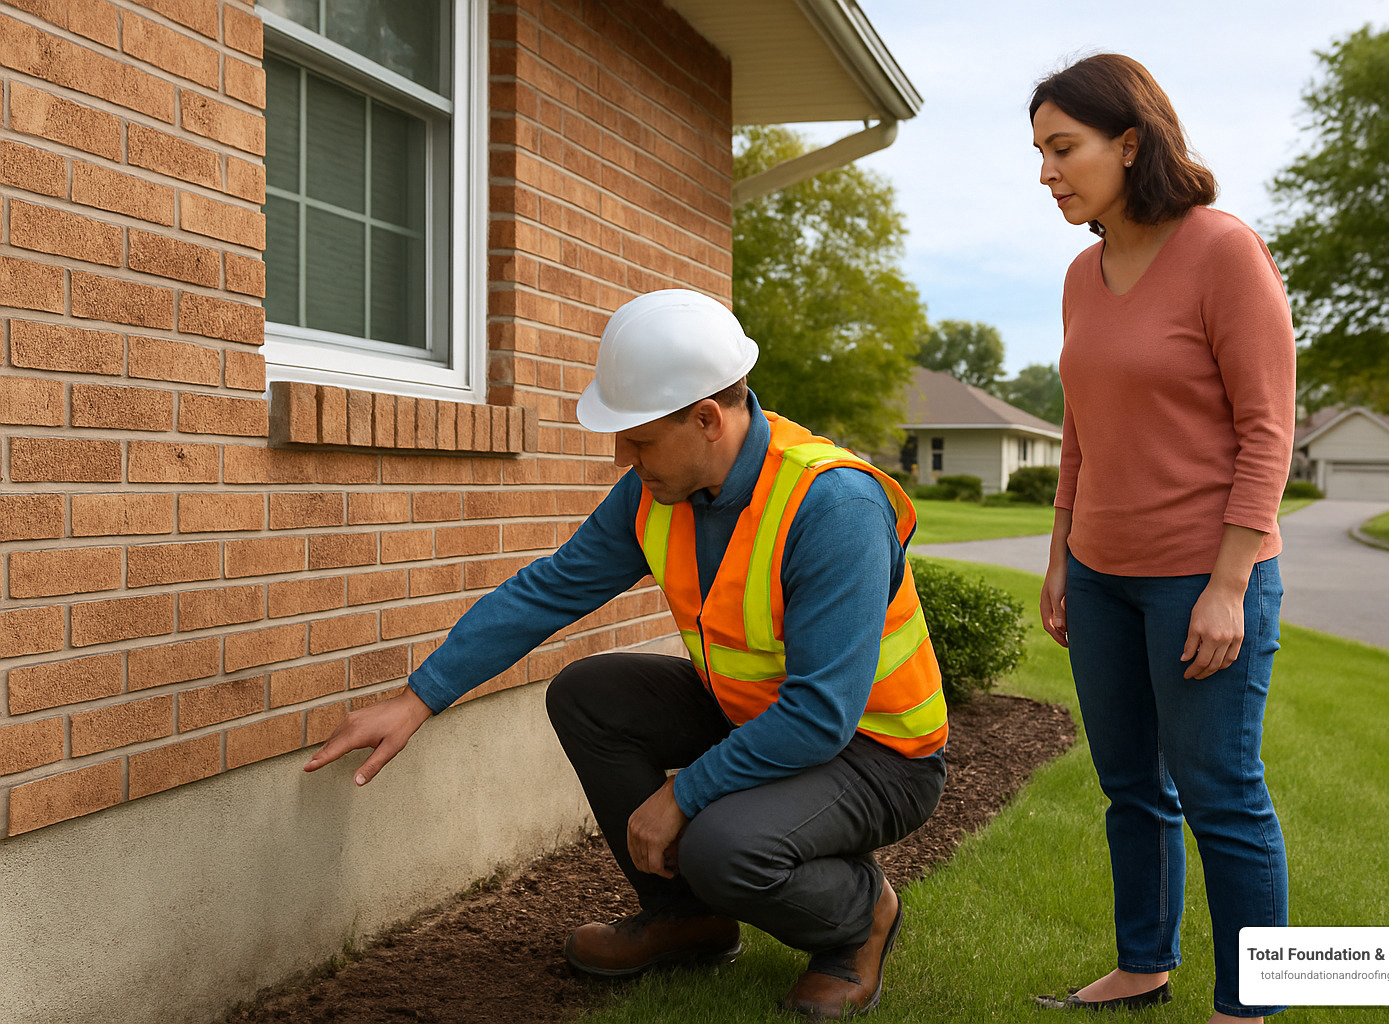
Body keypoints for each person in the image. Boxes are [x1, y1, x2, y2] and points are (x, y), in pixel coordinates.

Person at [303, 288, 948, 1019]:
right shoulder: (655, 493)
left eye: (637, 440)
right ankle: (686, 921)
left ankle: (859, 919)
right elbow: (546, 591)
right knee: (590, 694)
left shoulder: (832, 508)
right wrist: (416, 699)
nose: (620, 457)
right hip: (759, 717)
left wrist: (683, 794)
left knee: (720, 845)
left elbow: (820, 715)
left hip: (876, 754)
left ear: (707, 419)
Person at [1027, 55, 1295, 1022]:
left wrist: (1230, 585)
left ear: (1130, 142)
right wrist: (1060, 556)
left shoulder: (1222, 250)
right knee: (1131, 788)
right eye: (1041, 154)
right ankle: (1144, 965)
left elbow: (1269, 430)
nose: (1048, 173)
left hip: (1202, 576)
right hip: (1100, 575)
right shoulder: (1078, 274)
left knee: (1222, 794)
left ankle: (1248, 1006)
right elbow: (1081, 428)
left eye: (1064, 149)